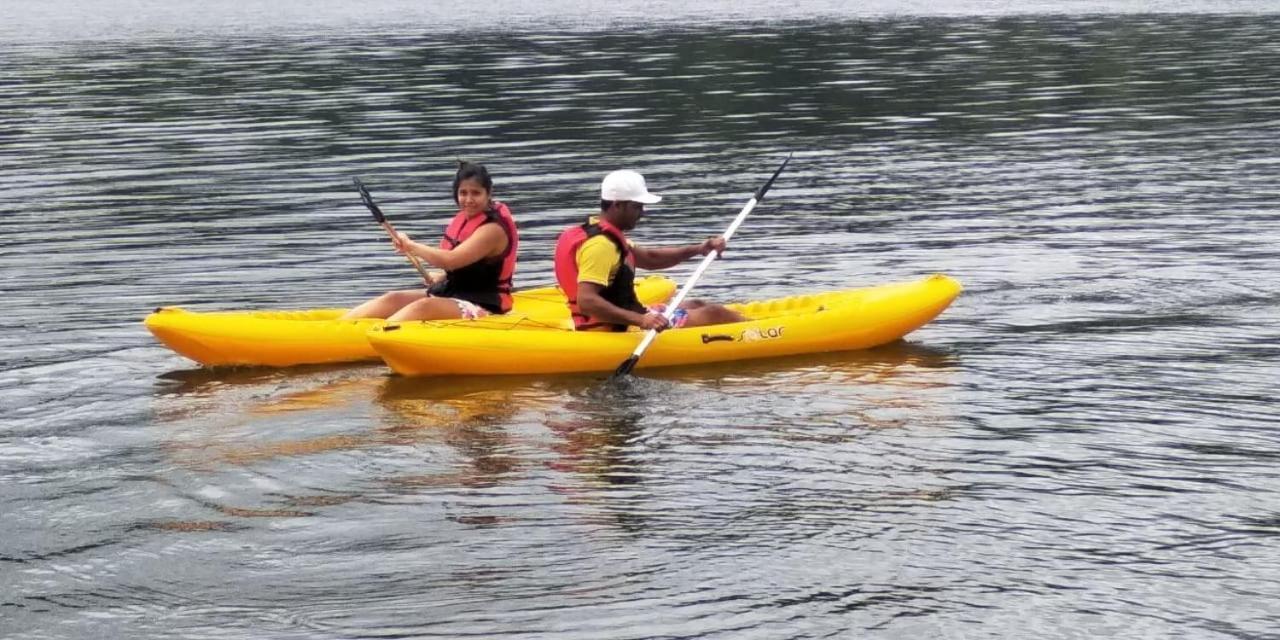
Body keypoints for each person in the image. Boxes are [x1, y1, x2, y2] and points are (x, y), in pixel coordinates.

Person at [553, 169, 747, 332]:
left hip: (624, 317)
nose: (642, 212)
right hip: (616, 328)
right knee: (715, 314)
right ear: (617, 205)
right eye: (637, 206)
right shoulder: (600, 246)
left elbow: (650, 259)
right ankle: (761, 333)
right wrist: (642, 320)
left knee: (697, 304)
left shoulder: (601, 233)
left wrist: (699, 249)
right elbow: (586, 300)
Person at [343, 162, 518, 322]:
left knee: (423, 307)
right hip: (455, 293)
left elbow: (450, 260)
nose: (469, 200)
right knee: (393, 298)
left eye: (476, 193)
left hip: (485, 305)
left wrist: (411, 246)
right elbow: (469, 266)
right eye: (463, 193)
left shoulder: (493, 230)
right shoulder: (466, 219)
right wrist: (441, 277)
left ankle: (378, 335)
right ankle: (343, 327)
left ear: (489, 194)